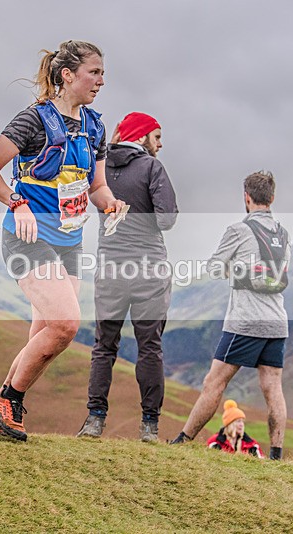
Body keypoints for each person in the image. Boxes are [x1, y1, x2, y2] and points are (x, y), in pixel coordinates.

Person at [0, 40, 125, 442]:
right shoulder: (33, 120)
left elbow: (98, 186)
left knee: (45, 331)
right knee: (64, 325)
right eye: (95, 72)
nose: (101, 81)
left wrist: (110, 204)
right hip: (26, 238)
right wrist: (16, 201)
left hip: (69, 243)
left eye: (103, 73)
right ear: (67, 75)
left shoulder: (95, 126)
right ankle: (10, 400)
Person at [171, 171, 290, 461]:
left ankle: (183, 440)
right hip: (277, 320)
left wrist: (233, 269)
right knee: (273, 386)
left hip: (246, 320)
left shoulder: (238, 230)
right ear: (272, 198)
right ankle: (275, 454)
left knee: (214, 382)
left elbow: (214, 267)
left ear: (246, 198)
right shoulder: (283, 234)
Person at [75, 112, 178, 442]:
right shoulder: (151, 167)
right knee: (150, 346)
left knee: (104, 346)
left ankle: (94, 420)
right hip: (148, 269)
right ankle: (149, 426)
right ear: (142, 135)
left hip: (110, 269)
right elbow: (167, 221)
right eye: (157, 136)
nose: (160, 144)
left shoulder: (99, 168)